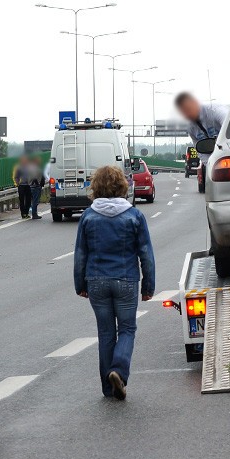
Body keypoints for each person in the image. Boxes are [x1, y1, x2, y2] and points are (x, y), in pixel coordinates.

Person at [74, 166, 155, 400]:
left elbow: (80, 254)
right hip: (126, 280)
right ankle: (118, 370)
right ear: (123, 186)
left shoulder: (88, 216)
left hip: (97, 281)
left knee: (106, 333)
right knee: (127, 329)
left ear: (95, 187)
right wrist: (148, 286)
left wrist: (80, 284)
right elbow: (146, 254)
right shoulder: (134, 216)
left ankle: (109, 389)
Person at [174, 92, 229, 173]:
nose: (187, 114)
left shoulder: (215, 111)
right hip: (215, 160)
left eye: (188, 109)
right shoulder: (190, 127)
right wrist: (210, 167)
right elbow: (200, 151)